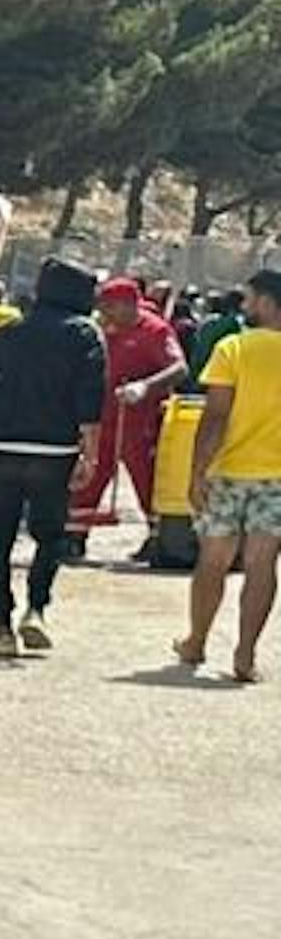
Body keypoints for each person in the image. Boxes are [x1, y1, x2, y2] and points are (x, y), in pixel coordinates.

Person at [0, 257, 109, 656]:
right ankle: (36, 608)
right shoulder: (85, 334)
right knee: (50, 534)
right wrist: (90, 454)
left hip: (4, 447)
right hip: (54, 449)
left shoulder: (9, 331)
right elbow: (90, 401)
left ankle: (1, 625)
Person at [173, 266, 281, 682]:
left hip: (229, 470)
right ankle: (245, 654)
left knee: (213, 561)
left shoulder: (233, 349)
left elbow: (215, 416)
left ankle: (197, 640)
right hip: (276, 477)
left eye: (250, 299)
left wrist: (197, 471)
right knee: (262, 565)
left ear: (267, 303)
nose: (245, 306)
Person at [72, 274, 189, 532]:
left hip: (141, 422)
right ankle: (74, 536)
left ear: (128, 304)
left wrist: (145, 386)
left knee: (148, 481)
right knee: (88, 478)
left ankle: (159, 537)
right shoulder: (101, 329)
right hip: (103, 419)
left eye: (109, 306)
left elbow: (179, 368)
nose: (103, 312)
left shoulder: (155, 331)